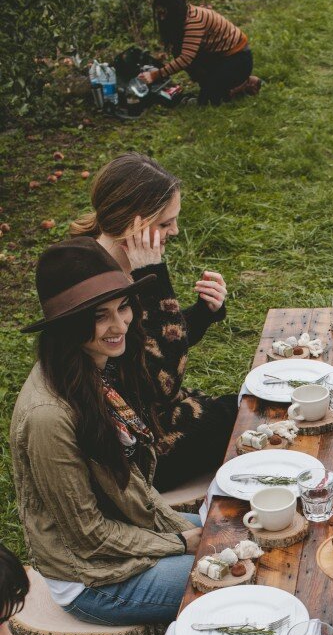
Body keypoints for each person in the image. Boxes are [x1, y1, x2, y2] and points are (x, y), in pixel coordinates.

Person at [10, 238, 201, 626]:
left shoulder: (93, 367)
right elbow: (87, 535)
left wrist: (179, 533)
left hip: (128, 529)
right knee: (232, 579)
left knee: (233, 532)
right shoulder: (48, 417)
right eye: (100, 316)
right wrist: (178, 542)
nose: (119, 326)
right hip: (91, 579)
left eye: (123, 307)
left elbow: (130, 480)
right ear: (68, 325)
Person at [70, 152, 237, 491]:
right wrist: (154, 277)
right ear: (134, 225)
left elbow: (150, 342)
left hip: (147, 410)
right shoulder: (94, 281)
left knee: (245, 409)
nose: (174, 231)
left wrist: (203, 313)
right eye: (165, 223)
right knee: (241, 424)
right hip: (127, 447)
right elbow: (162, 383)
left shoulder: (120, 257)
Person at [140, 0, 261, 105]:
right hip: (221, 55)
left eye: (164, 13)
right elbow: (181, 48)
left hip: (239, 58)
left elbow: (185, 59)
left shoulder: (194, 21)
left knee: (207, 100)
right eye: (159, 13)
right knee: (178, 50)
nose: (162, 18)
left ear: (173, 9)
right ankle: (216, 84)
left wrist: (155, 75)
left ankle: (242, 85)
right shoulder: (183, 15)